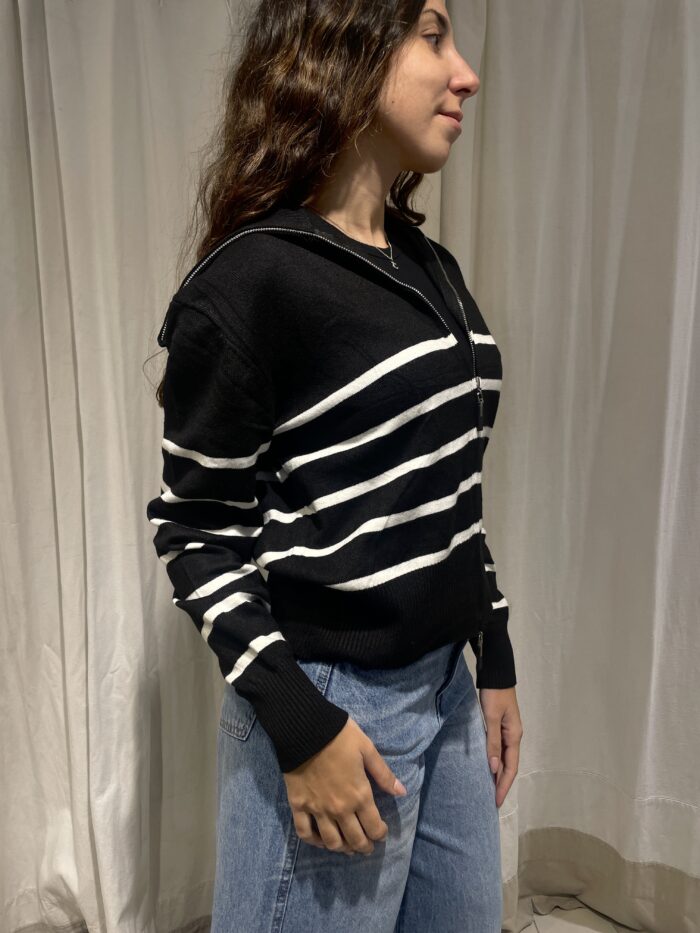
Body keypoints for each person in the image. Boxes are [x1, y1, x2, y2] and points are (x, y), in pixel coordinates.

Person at [146, 0, 523, 929]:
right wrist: (299, 721)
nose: (466, 73)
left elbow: (448, 488)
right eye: (432, 34)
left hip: (447, 688)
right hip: (334, 707)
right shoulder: (252, 280)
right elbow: (195, 531)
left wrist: (494, 649)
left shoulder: (426, 264)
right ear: (346, 46)